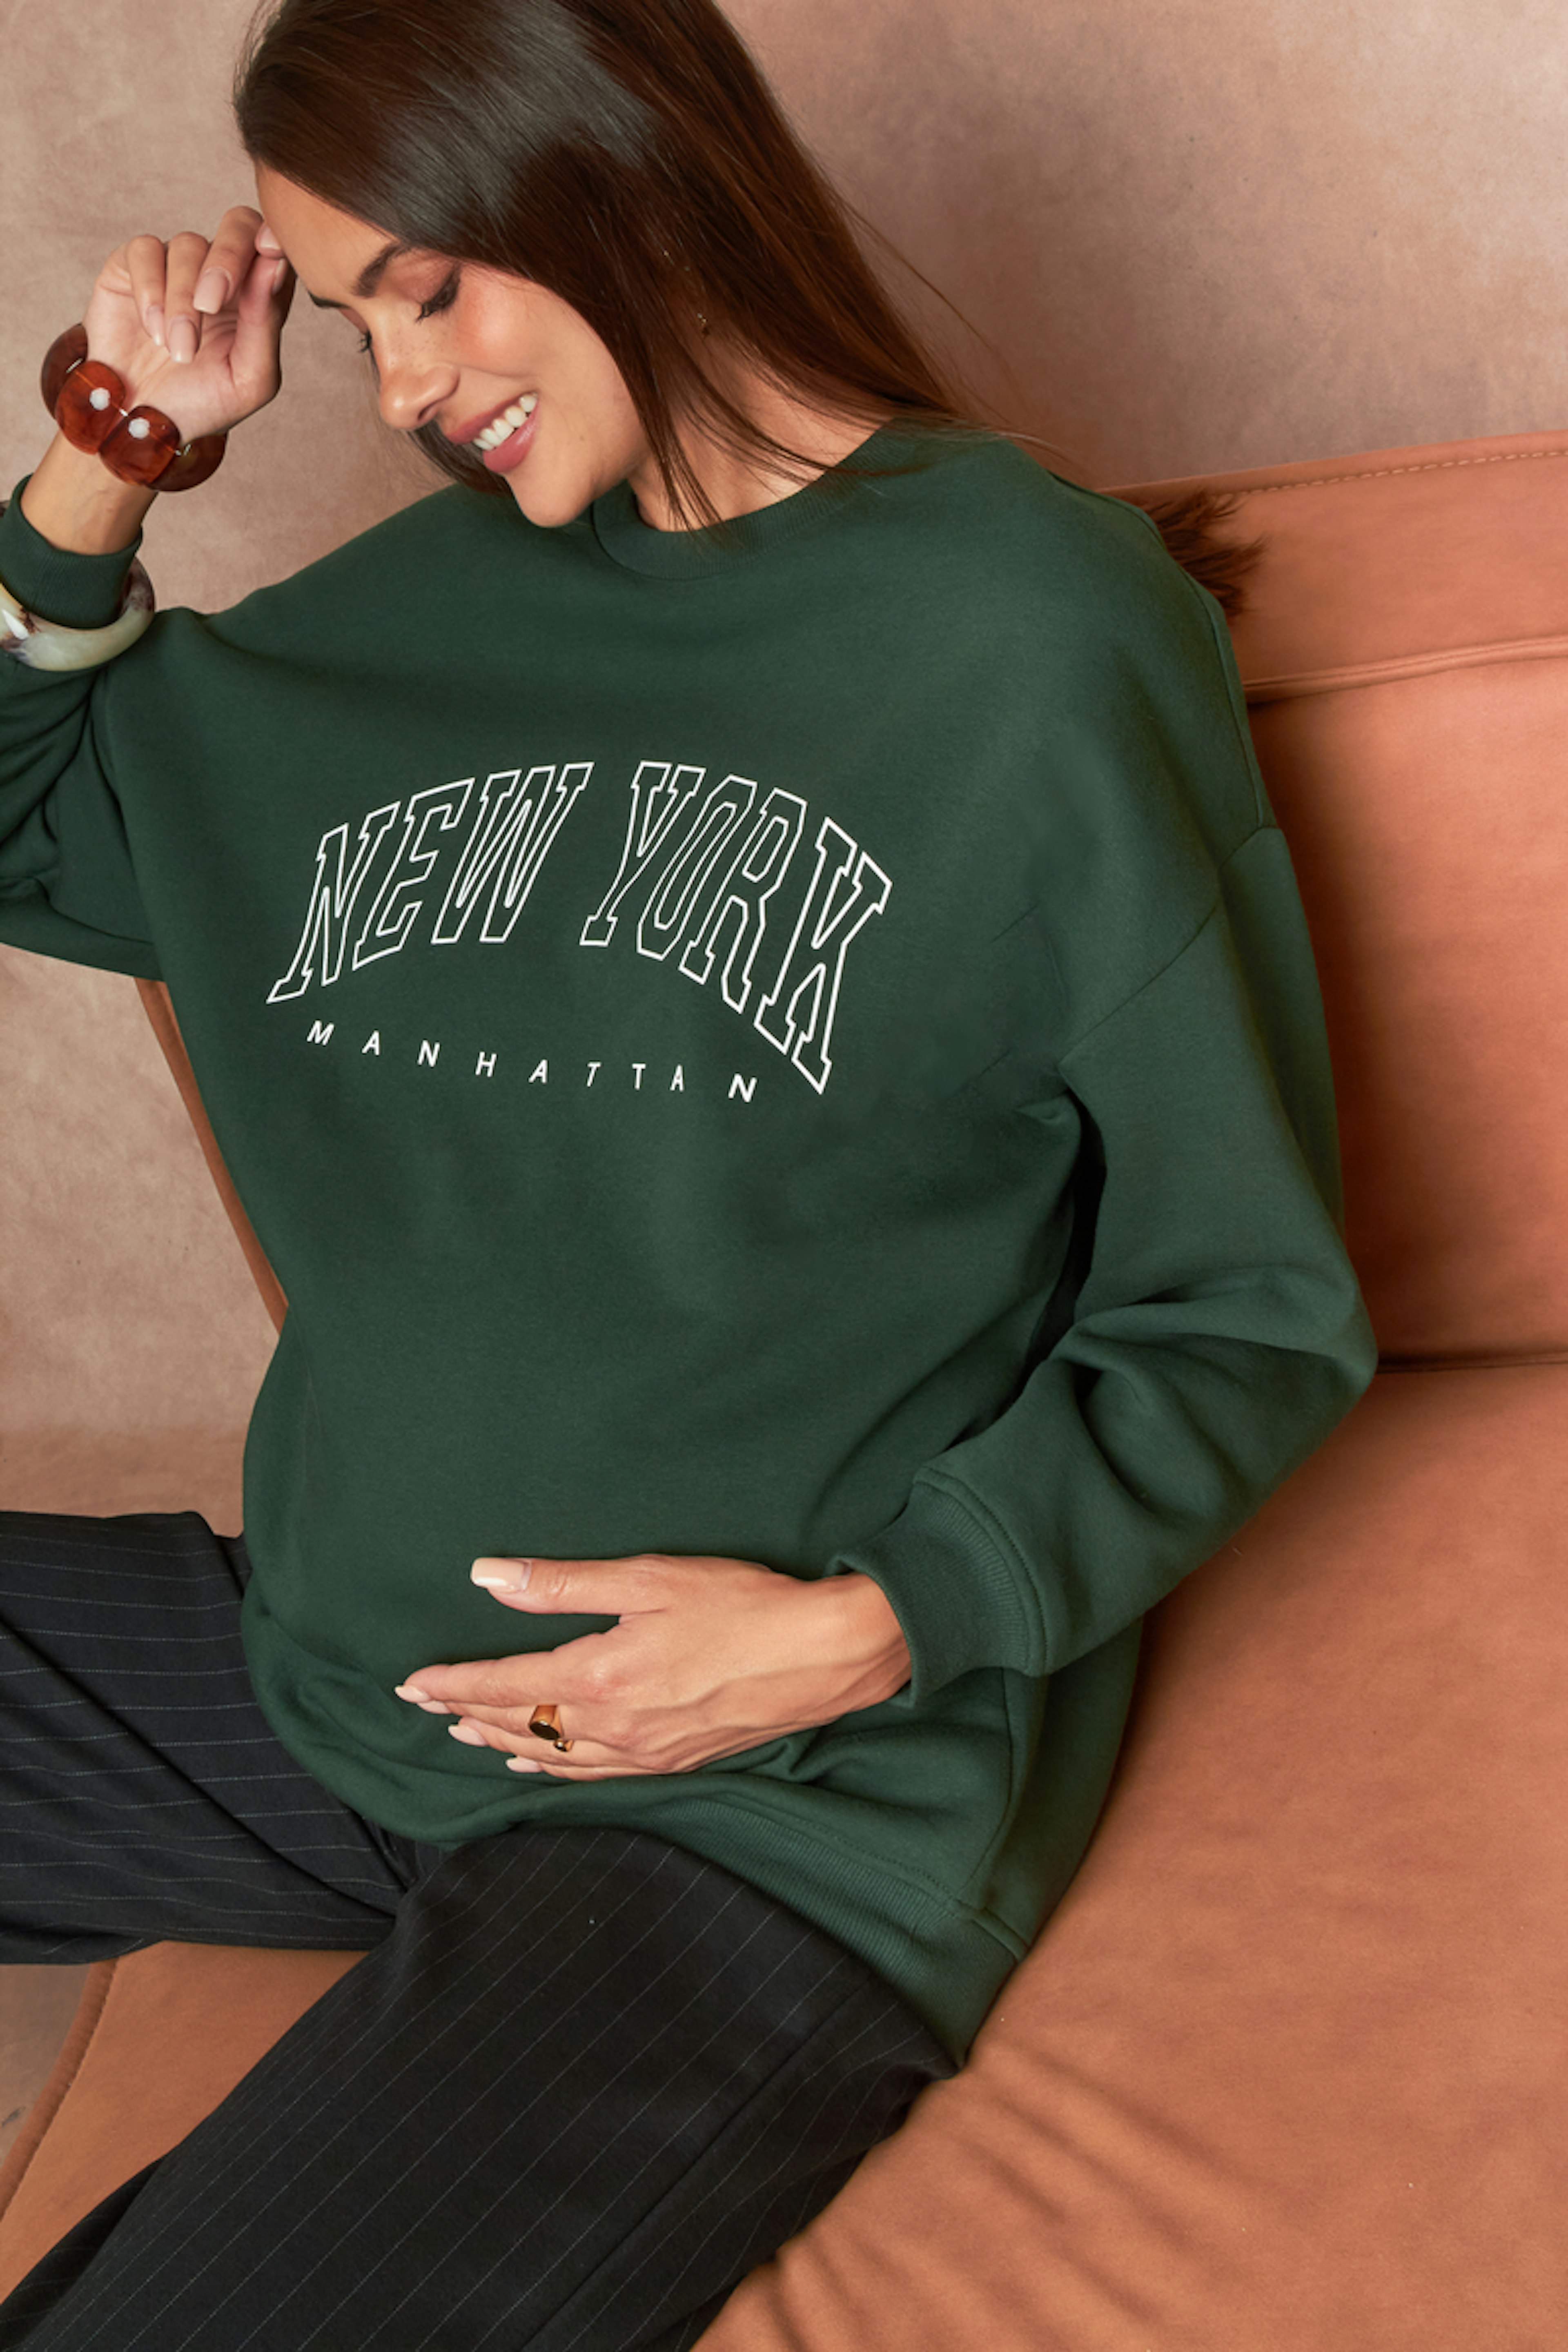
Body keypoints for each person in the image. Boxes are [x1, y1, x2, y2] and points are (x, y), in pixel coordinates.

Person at [0, 0, 1376, 2343]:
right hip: (326, 1680)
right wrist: (110, 457)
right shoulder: (394, 638)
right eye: (351, 322)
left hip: (752, 1817)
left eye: (430, 289)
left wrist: (867, 1630)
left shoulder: (1034, 638)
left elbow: (1245, 1302)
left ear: (610, 164)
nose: (398, 388)